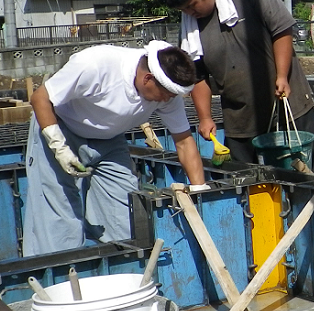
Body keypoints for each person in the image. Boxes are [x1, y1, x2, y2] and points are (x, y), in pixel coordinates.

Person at [24, 41, 207, 255]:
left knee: (125, 218)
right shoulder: (96, 64)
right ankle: (60, 279)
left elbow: (184, 141)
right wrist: (59, 147)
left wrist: (199, 191)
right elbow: (40, 98)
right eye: (166, 95)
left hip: (110, 140)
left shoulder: (167, 91)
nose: (168, 100)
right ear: (147, 78)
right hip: (60, 128)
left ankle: (120, 272)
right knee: (60, 218)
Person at [160, 0, 314, 175]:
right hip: (240, 116)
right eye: (184, 10)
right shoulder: (190, 25)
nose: (190, 13)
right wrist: (205, 117)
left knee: (313, 173)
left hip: (287, 102)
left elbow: (281, 29)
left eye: (192, 5)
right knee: (249, 181)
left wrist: (281, 75)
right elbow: (198, 74)